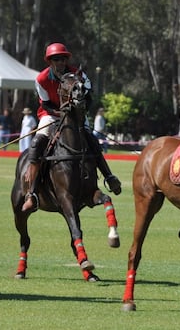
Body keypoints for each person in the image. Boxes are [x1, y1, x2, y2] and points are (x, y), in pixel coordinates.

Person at [21, 43, 121, 212]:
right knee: (37, 142)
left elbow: (88, 98)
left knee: (91, 139)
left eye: (63, 59)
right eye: (56, 59)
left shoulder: (79, 74)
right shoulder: (42, 79)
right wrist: (62, 115)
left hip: (76, 115)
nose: (60, 62)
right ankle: (32, 193)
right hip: (51, 114)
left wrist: (76, 114)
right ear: (50, 62)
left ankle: (109, 177)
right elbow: (45, 105)